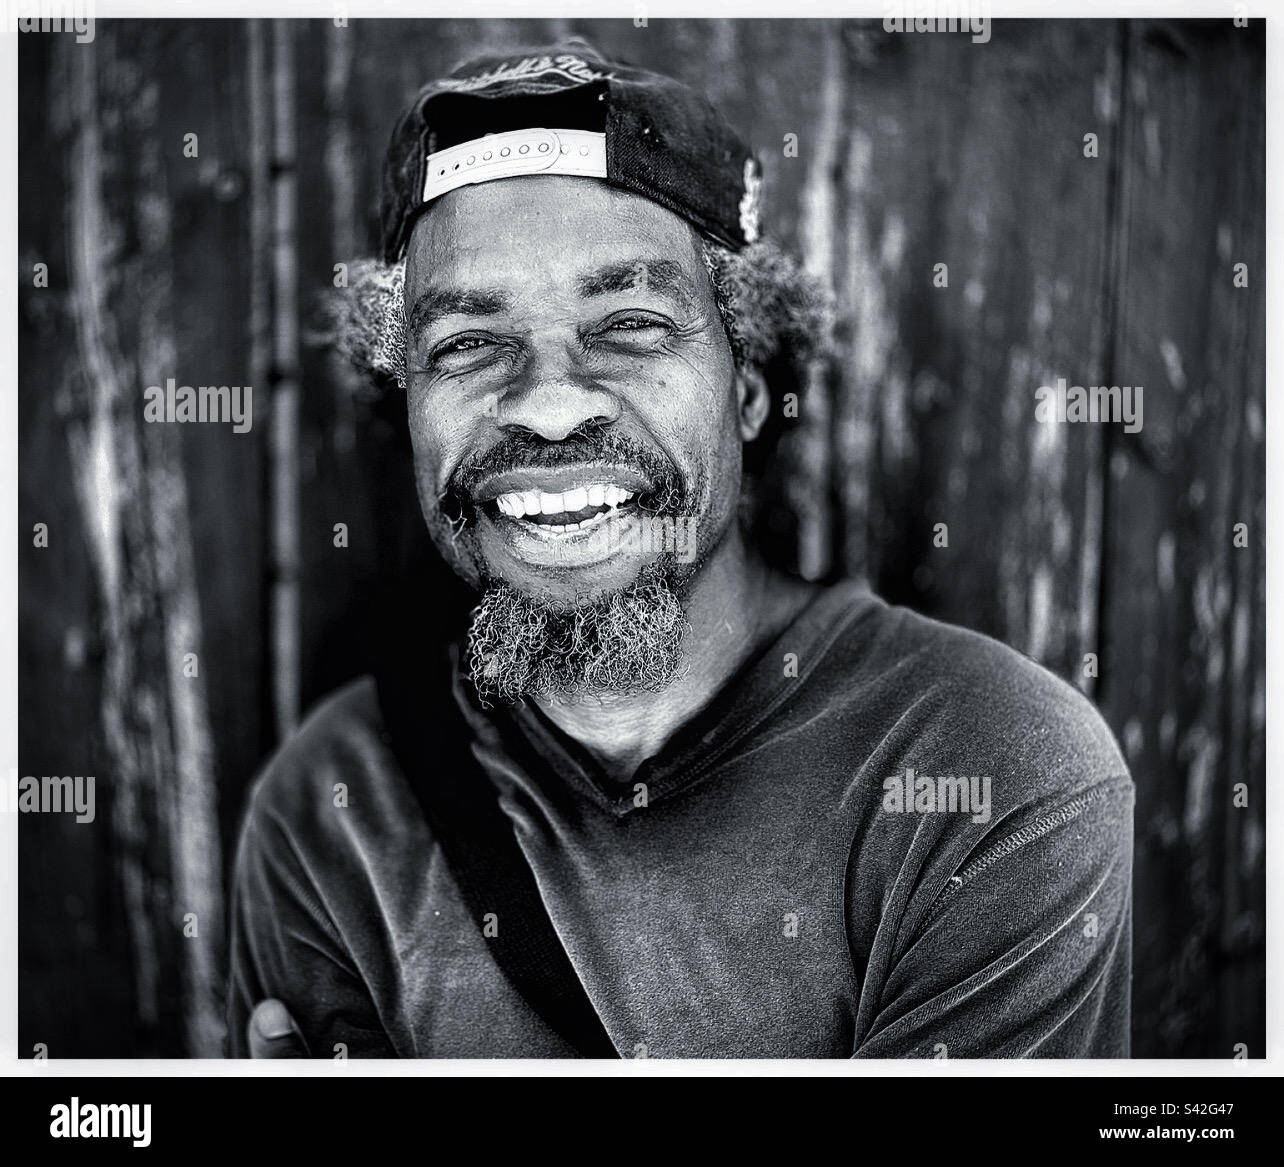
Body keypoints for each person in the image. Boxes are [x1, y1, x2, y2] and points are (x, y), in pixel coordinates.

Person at [227, 38, 1134, 1058]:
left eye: (629, 324)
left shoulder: (983, 766)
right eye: (469, 345)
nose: (553, 405)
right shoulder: (330, 811)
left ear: (748, 387)